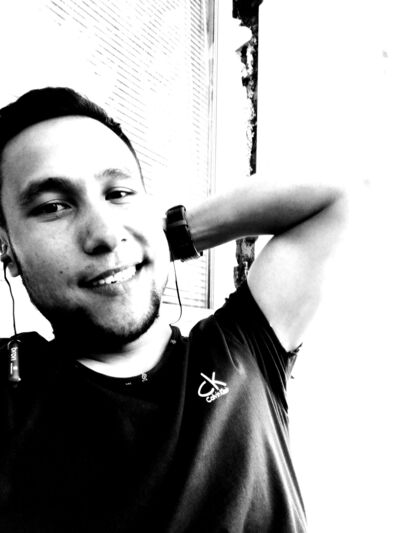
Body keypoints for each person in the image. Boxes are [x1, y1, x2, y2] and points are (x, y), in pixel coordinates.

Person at [0, 87, 348, 533]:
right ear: (6, 246)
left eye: (119, 192)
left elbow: (338, 193)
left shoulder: (242, 347)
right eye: (53, 206)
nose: (105, 234)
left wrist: (168, 237)